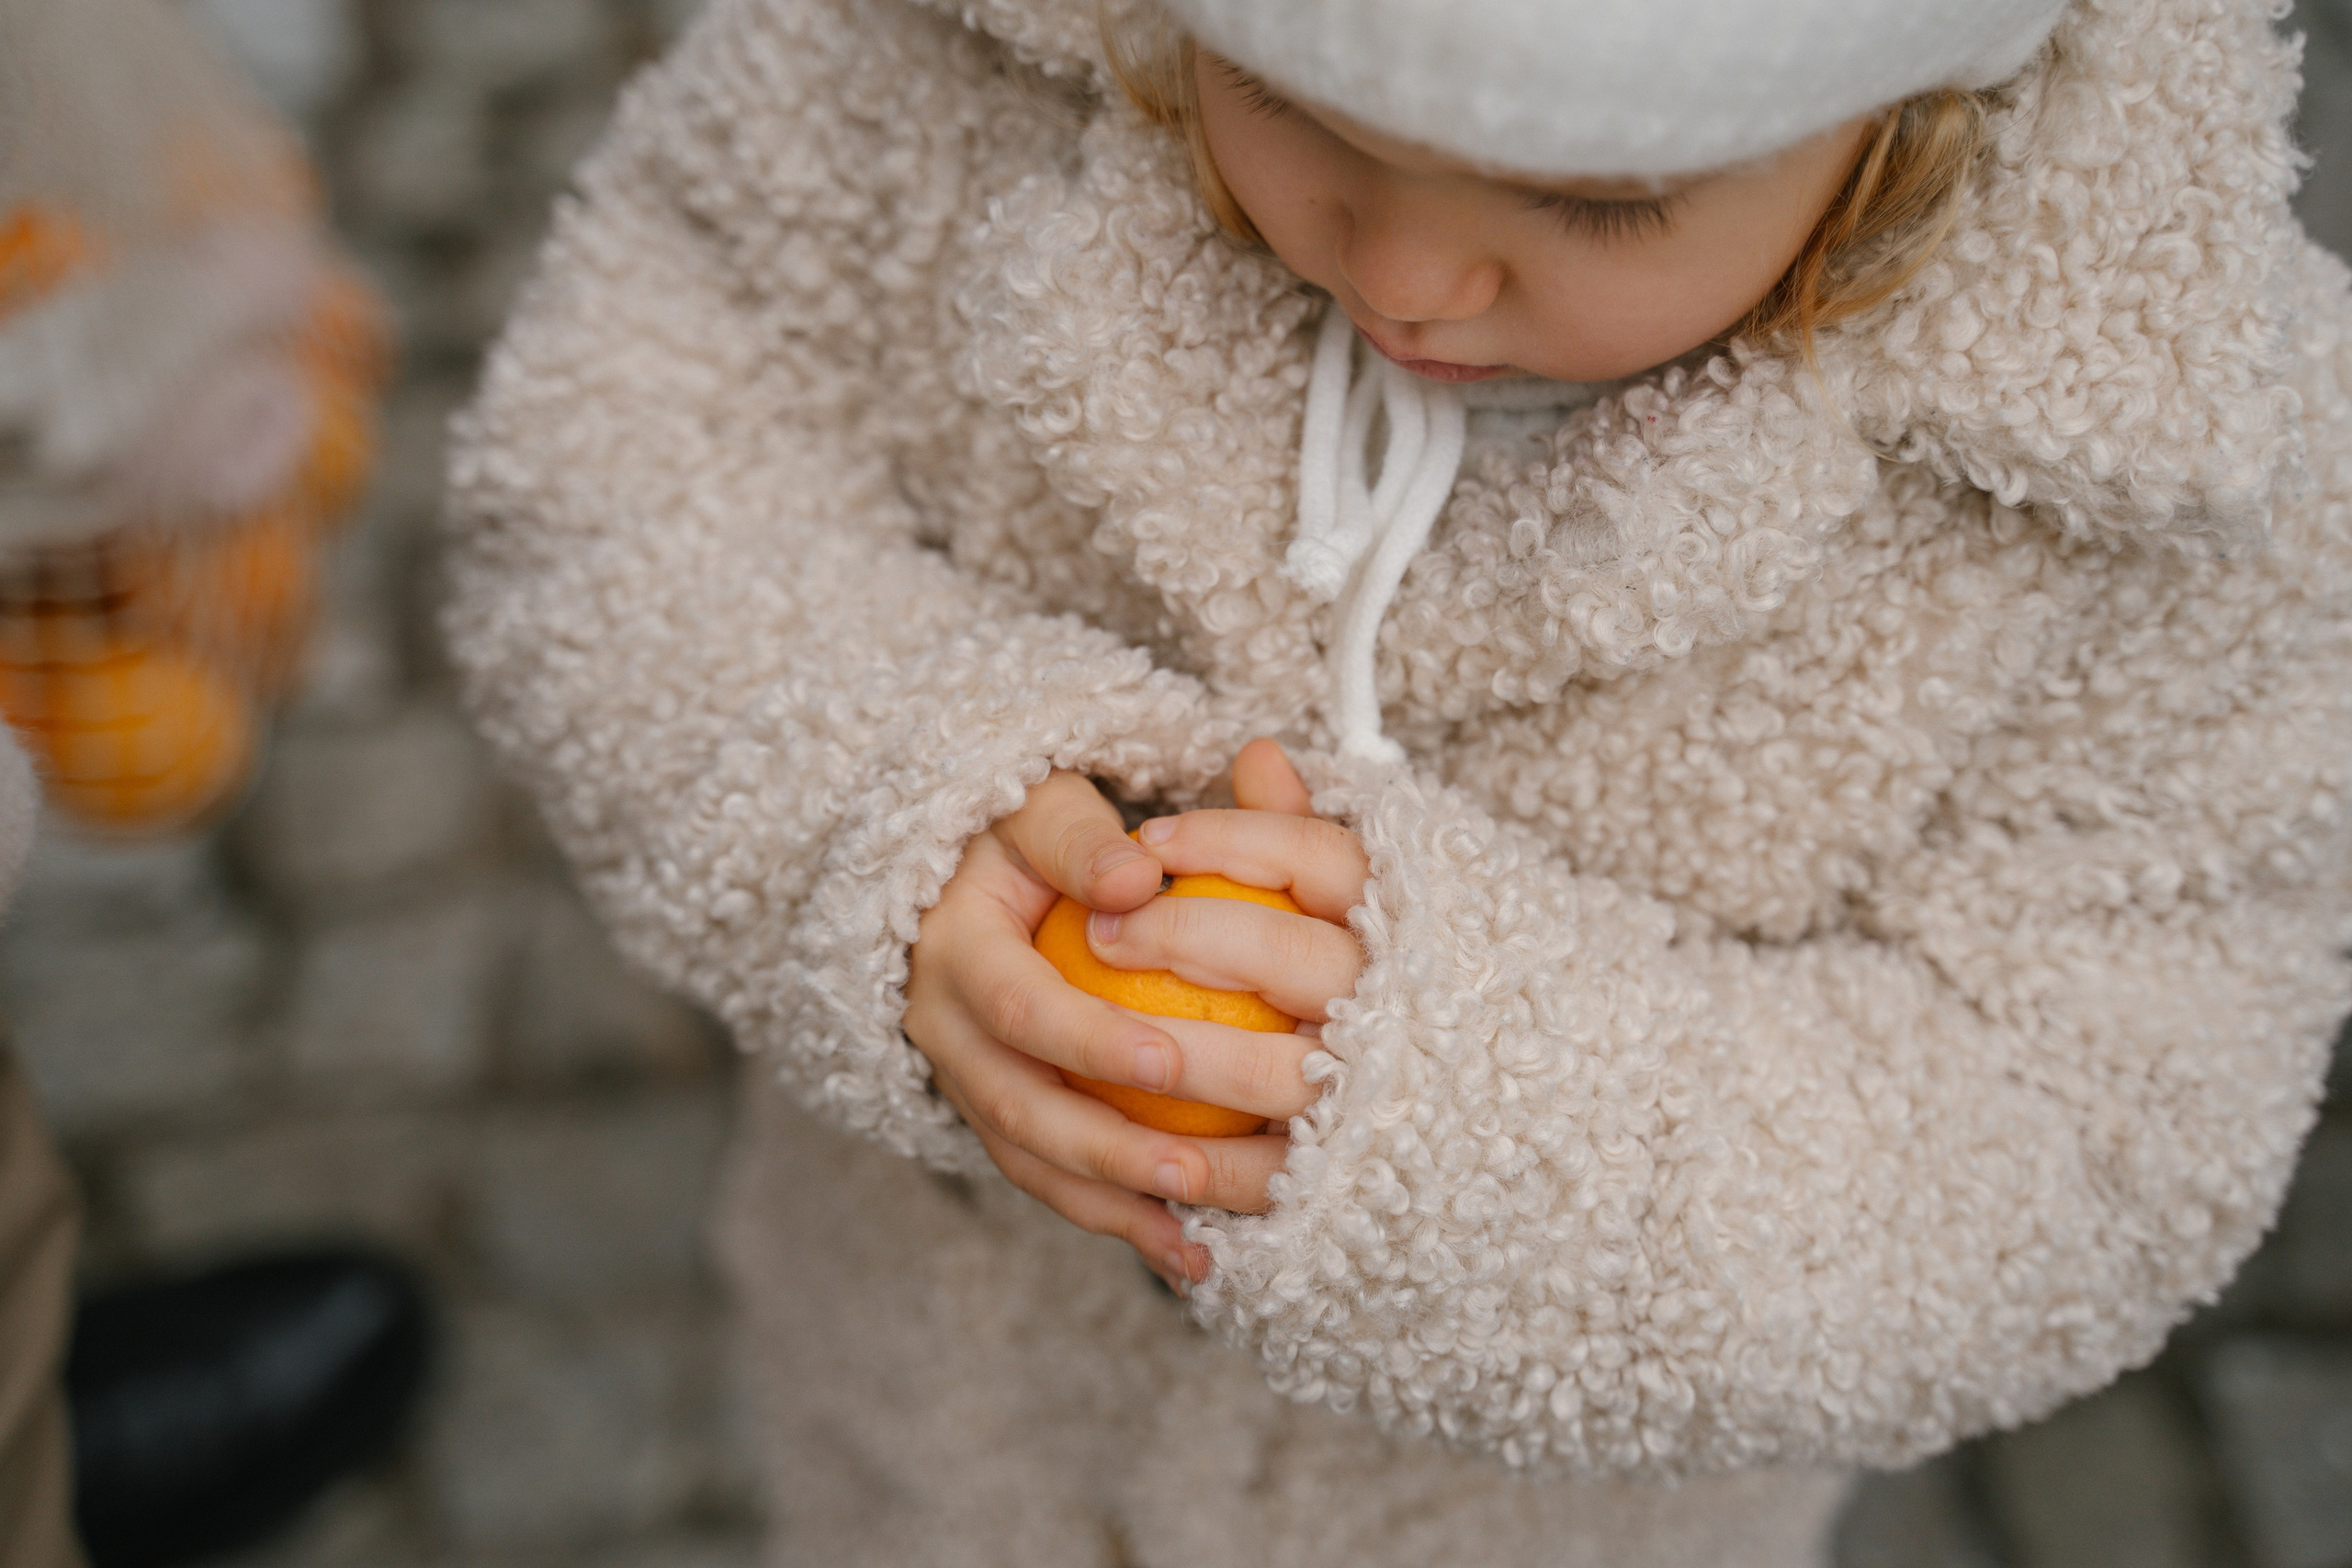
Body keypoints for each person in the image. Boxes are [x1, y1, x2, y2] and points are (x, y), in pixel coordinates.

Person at [443, 0, 2352, 1562]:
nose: (1406, 270)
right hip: (937, 1427)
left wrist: (1444, 1103)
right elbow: (629, 447)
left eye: (1599, 200)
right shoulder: (941, 57)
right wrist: (891, 808)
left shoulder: (2176, 476)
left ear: (1903, 116)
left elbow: (2088, 1132)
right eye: (1286, 100)